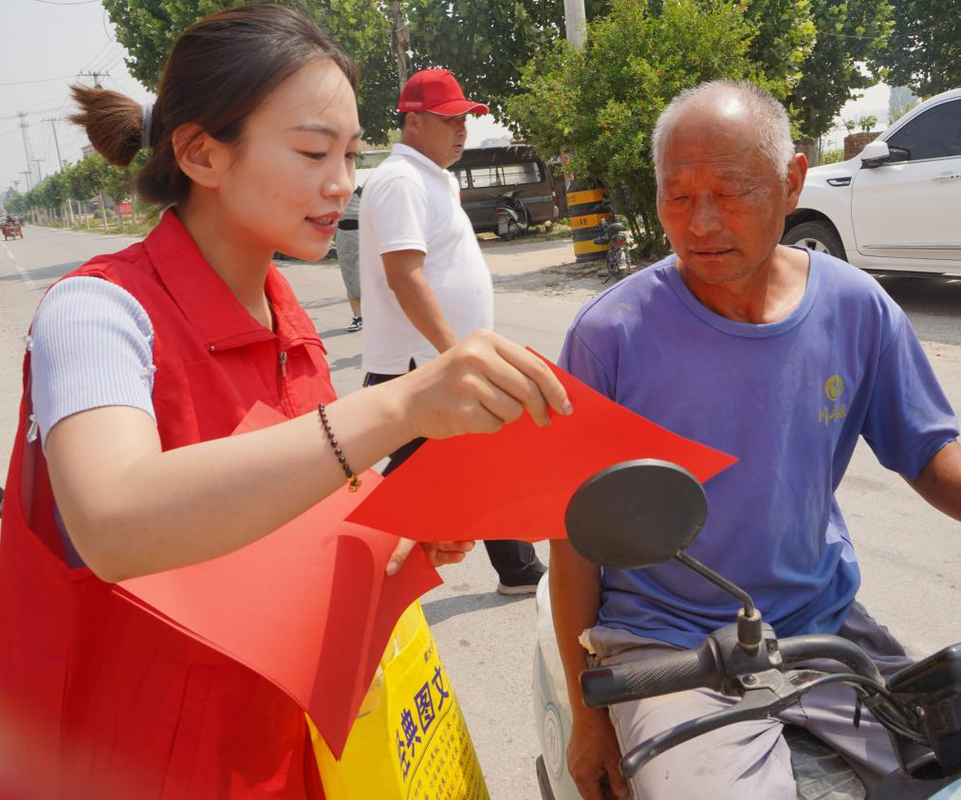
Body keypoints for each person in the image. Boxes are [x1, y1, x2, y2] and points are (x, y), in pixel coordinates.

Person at [0, 7, 571, 798]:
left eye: (348, 154)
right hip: (132, 756)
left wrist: (399, 543)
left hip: (274, 743)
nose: (340, 183)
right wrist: (402, 406)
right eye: (311, 152)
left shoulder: (284, 316)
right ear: (202, 153)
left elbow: (282, 523)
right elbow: (114, 519)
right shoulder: (97, 313)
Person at [549, 80, 961, 800]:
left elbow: (924, 447)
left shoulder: (855, 307)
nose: (701, 221)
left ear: (792, 179)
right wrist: (590, 714)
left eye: (730, 190)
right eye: (678, 196)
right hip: (670, 647)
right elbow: (574, 534)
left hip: (825, 629)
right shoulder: (609, 337)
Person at [358, 67, 548, 596]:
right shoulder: (400, 180)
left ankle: (517, 568)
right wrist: (454, 353)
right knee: (399, 482)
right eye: (450, 120)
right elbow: (404, 275)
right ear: (414, 121)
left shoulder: (433, 176)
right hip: (421, 361)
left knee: (485, 455)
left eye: (466, 118)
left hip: (441, 356)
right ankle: (342, 559)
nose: (462, 129)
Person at [335, 183, 363, 332]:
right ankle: (358, 317)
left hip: (362, 236)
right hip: (343, 237)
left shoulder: (362, 192)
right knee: (350, 278)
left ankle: (375, 316)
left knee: (367, 278)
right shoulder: (336, 195)